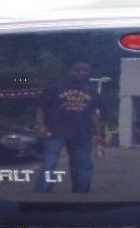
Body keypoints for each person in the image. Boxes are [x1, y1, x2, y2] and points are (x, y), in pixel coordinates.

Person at [35, 62, 105, 193]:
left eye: (85, 70)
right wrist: (41, 126)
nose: (81, 72)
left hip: (82, 134)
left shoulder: (92, 92)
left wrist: (99, 134)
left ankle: (81, 197)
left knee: (83, 167)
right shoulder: (54, 88)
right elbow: (41, 108)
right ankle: (41, 196)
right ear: (70, 71)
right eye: (78, 70)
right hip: (55, 132)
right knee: (48, 166)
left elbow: (93, 114)